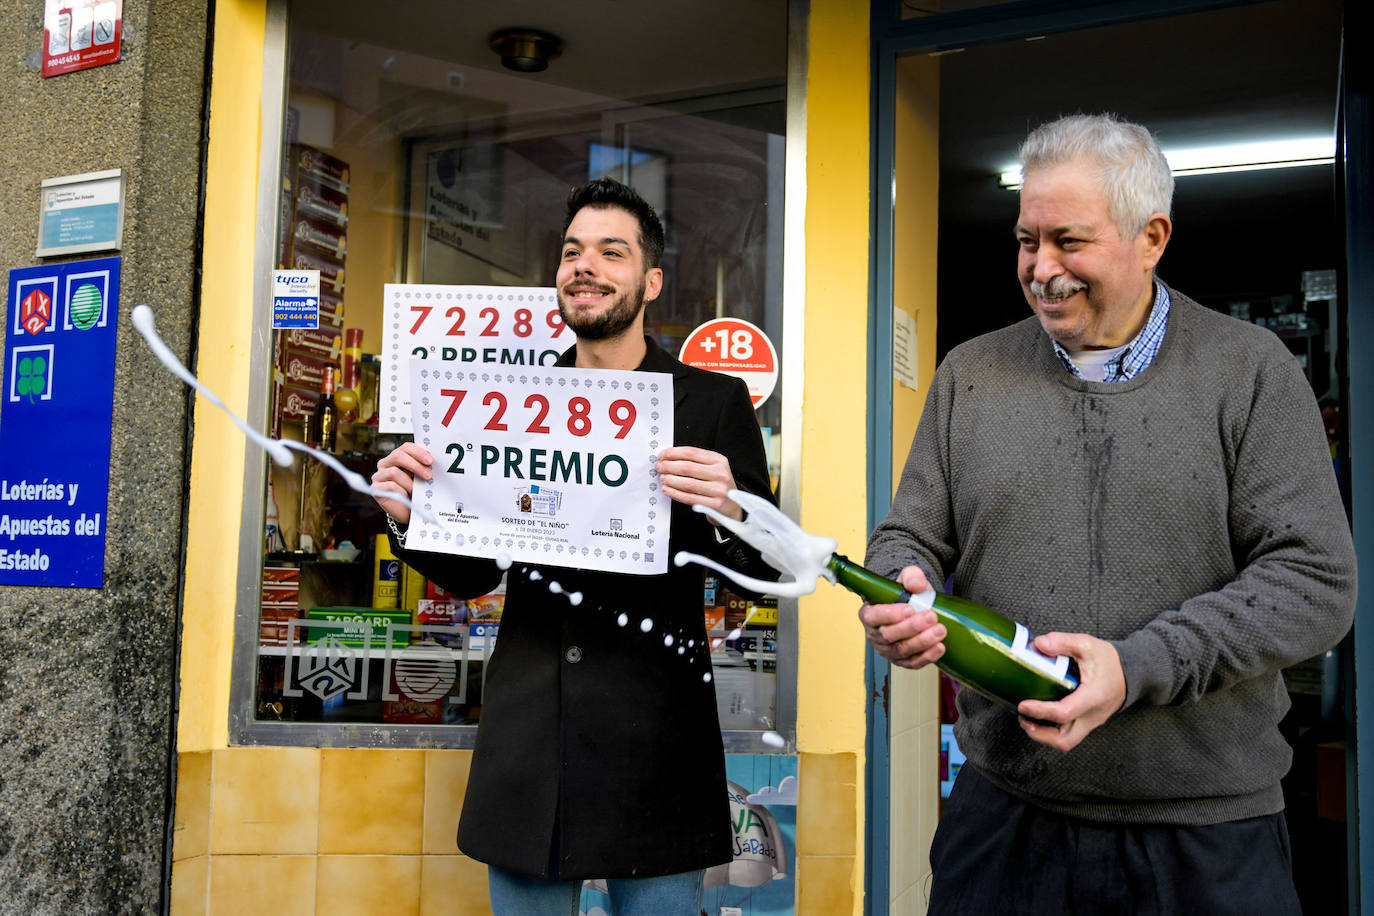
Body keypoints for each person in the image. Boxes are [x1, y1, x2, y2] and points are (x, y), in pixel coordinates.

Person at [860, 113, 1356, 914]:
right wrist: (893, 589)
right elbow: (909, 535)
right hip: (1003, 821)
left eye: (1069, 241)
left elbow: (1316, 582)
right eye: (1027, 241)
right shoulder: (969, 375)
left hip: (1204, 836)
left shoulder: (1250, 372)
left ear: (1152, 235)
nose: (1041, 268)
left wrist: (1136, 668)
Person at [371, 178, 776, 914]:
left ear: (651, 281)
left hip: (658, 738)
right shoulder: (508, 401)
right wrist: (408, 517)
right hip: (534, 736)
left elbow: (761, 574)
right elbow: (469, 573)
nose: (583, 266)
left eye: (610, 252)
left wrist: (732, 509)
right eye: (570, 252)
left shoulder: (711, 403)